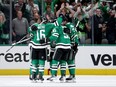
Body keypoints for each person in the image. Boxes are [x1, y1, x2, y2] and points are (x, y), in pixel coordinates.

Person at [28, 18, 47, 82]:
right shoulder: (46, 26)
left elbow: (29, 30)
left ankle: (33, 75)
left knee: (34, 61)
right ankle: (40, 75)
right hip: (42, 46)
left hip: (35, 45)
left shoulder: (35, 25)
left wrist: (31, 29)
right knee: (41, 62)